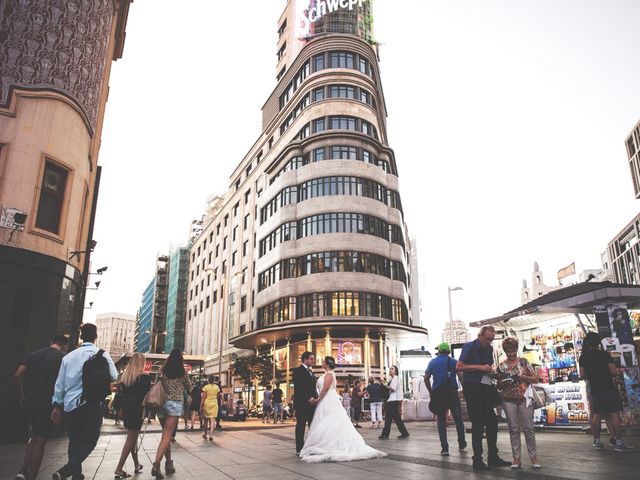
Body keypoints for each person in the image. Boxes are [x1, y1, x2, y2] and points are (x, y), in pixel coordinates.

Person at [51, 323, 118, 480]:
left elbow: (59, 385)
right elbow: (114, 376)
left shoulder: (68, 357)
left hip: (70, 405)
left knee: (74, 440)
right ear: (95, 336)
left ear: (81, 336)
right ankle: (66, 471)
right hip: (92, 403)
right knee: (91, 440)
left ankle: (76, 474)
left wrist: (56, 405)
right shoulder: (102, 354)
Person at [299, 356, 387, 462]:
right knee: (327, 422)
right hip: (327, 400)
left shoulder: (329, 374)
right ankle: (327, 443)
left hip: (328, 399)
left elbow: (326, 388)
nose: (322, 363)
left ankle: (330, 445)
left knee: (328, 421)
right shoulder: (327, 374)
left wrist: (318, 399)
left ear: (327, 364)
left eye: (323, 362)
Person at [13, 334, 67, 480]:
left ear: (51, 342)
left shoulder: (33, 354)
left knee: (33, 436)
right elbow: (63, 383)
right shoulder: (62, 358)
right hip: (47, 402)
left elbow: (17, 375)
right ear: (64, 345)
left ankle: (23, 471)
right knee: (40, 440)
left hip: (30, 401)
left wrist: (22, 397)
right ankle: (31, 476)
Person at [456, 325, 510, 471]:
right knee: (478, 423)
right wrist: (480, 368)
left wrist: (494, 373)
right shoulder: (469, 347)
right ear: (480, 336)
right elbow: (459, 367)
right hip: (472, 387)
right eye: (487, 339)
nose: (489, 342)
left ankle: (493, 456)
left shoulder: (489, 349)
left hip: (485, 386)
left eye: (491, 339)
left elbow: (488, 366)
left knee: (492, 421)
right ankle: (477, 459)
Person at [579, 331, 634, 452]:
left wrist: (593, 375)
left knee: (597, 415)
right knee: (613, 413)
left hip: (595, 388)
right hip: (608, 387)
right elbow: (614, 371)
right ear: (599, 342)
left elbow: (582, 375)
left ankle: (597, 441)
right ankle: (618, 443)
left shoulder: (583, 357)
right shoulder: (605, 355)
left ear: (587, 343)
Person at [496, 338, 540, 469]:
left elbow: (535, 378)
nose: (511, 353)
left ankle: (533, 457)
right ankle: (516, 458)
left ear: (516, 349)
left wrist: (524, 378)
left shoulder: (524, 362)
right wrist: (501, 382)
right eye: (508, 351)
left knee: (528, 428)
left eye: (513, 350)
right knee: (513, 429)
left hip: (525, 398)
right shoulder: (501, 366)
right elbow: (497, 385)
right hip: (508, 399)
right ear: (505, 351)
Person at [152, 349, 191, 478]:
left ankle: (169, 464)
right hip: (174, 404)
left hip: (161, 404)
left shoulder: (162, 370)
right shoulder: (182, 372)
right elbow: (188, 386)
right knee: (167, 434)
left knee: (165, 435)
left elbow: (155, 383)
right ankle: (156, 464)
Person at [424, 342, 467, 456]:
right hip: (452, 393)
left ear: (438, 351)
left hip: (438, 394)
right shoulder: (453, 361)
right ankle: (462, 443)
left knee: (441, 421)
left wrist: (430, 391)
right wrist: (465, 389)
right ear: (448, 351)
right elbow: (461, 376)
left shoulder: (432, 362)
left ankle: (445, 448)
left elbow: (426, 378)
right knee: (458, 419)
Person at [114, 352, 151, 478]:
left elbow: (120, 395)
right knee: (131, 439)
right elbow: (147, 395)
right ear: (142, 363)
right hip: (138, 408)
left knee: (132, 437)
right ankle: (119, 468)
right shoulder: (145, 377)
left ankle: (136, 464)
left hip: (127, 407)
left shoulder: (126, 377)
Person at [292, 351, 318, 456]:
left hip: (312, 404)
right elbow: (299, 387)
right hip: (302, 403)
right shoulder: (297, 371)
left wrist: (316, 399)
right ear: (305, 359)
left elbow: (312, 388)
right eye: (311, 359)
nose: (313, 360)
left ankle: (311, 446)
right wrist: (308, 398)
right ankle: (299, 449)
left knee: (313, 426)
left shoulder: (311, 372)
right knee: (301, 426)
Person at [379, 365, 409, 440]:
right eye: (390, 369)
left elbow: (393, 389)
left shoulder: (395, 378)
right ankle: (404, 433)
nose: (390, 370)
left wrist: (384, 384)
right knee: (396, 418)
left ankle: (385, 434)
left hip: (393, 400)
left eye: (392, 369)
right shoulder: (393, 379)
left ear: (395, 371)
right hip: (392, 400)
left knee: (389, 418)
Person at [201, 375, 220, 442]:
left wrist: (201, 405)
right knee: (213, 420)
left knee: (206, 420)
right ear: (214, 380)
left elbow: (204, 397)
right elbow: (217, 397)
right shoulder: (217, 387)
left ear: (208, 380)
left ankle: (205, 434)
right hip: (214, 403)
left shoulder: (206, 387)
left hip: (207, 404)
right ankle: (211, 434)